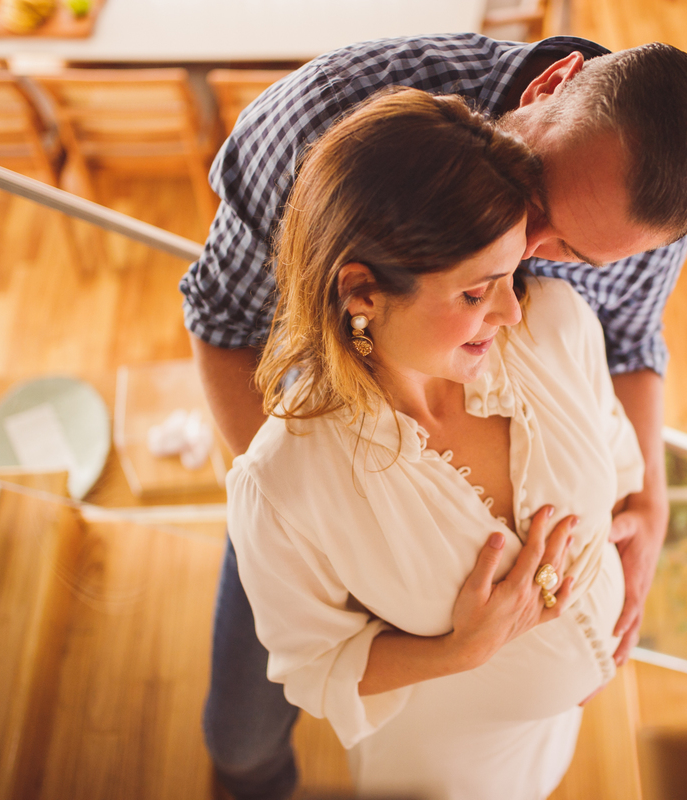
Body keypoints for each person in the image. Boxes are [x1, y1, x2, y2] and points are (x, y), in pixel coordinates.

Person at [180, 33, 687, 799]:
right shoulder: (310, 127)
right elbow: (221, 328)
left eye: (574, 254)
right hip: (311, 473)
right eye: (537, 204)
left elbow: (629, 345)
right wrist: (349, 530)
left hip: (519, 749)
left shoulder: (630, 224)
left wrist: (648, 498)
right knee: (241, 737)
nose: (531, 263)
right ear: (549, 87)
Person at [229, 87, 643, 800]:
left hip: (546, 737)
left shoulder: (558, 325)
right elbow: (313, 666)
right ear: (361, 289)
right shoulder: (285, 483)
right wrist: (461, 651)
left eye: (514, 272)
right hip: (449, 767)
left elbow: (612, 444)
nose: (513, 309)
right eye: (476, 293)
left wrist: (620, 539)